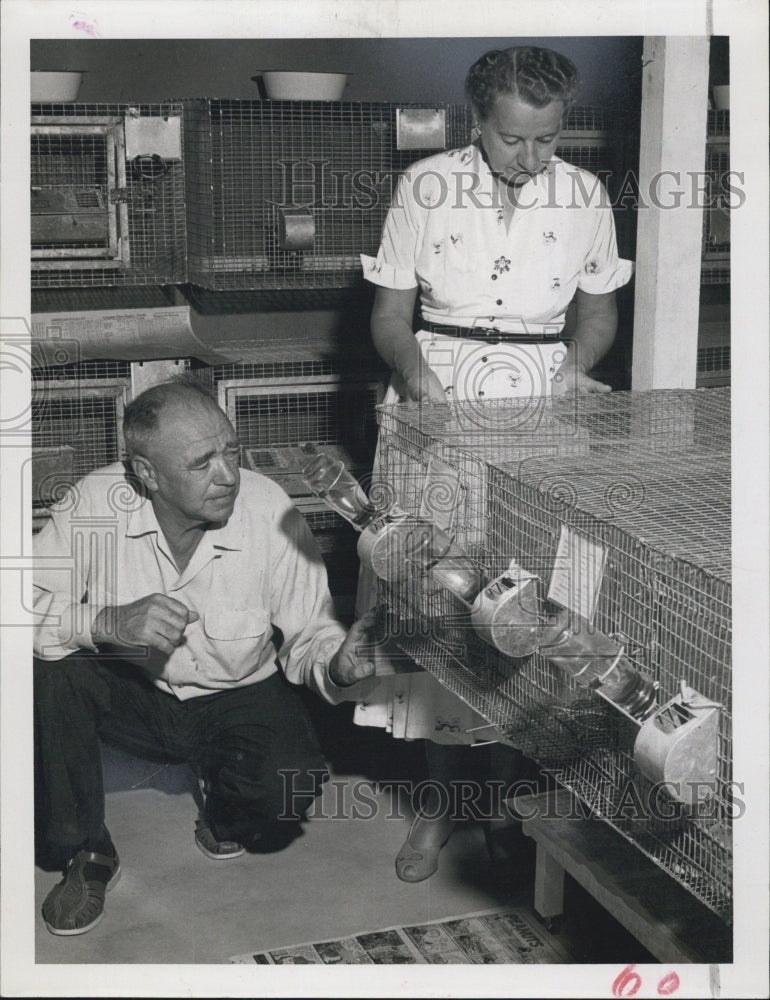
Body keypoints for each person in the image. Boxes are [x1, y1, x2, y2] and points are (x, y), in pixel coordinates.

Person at [356, 46, 632, 881]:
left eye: (548, 140)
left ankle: (512, 798)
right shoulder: (425, 187)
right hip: (440, 390)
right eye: (515, 140)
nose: (533, 158)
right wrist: (419, 385)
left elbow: (598, 311)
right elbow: (391, 317)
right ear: (477, 123)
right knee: (442, 600)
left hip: (540, 400)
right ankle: (441, 805)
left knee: (531, 605)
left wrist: (577, 373)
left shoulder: (584, 195)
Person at [33, 375, 376, 936]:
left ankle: (225, 804)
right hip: (133, 691)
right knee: (44, 667)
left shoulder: (268, 509)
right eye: (201, 464)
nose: (229, 476)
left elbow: (311, 632)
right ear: (147, 474)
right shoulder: (97, 502)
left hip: (237, 691)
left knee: (286, 791)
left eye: (231, 451)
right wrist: (104, 622)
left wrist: (339, 665)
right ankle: (86, 851)